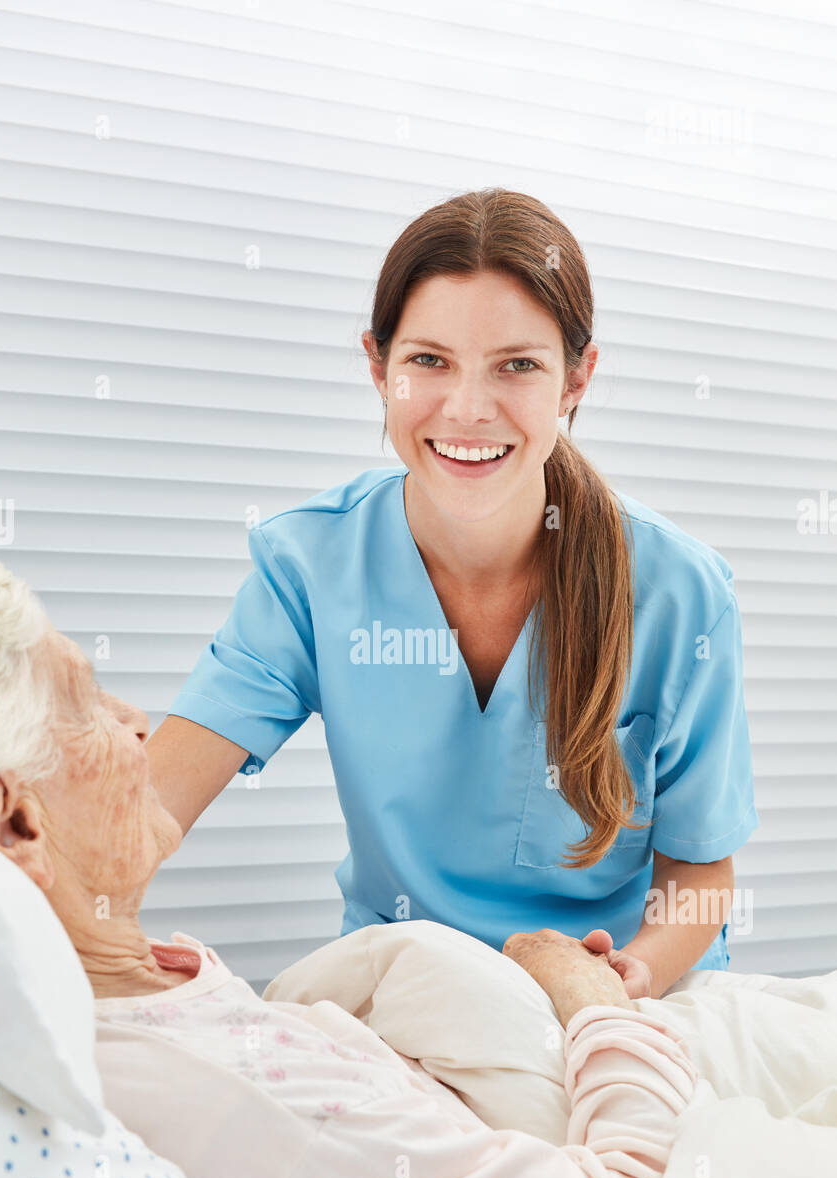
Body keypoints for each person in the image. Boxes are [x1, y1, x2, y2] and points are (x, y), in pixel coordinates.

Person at [0, 554, 697, 1178]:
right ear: (20, 823)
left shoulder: (157, 990)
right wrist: (595, 1006)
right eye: (87, 700)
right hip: (620, 1063)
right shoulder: (249, 1103)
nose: (137, 721)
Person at [146, 187, 758, 998]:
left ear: (577, 379)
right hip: (409, 993)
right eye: (429, 361)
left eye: (518, 366)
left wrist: (623, 981)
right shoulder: (311, 567)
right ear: (378, 368)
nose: (468, 411)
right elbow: (154, 802)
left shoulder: (680, 591)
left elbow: (701, 867)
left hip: (624, 995)